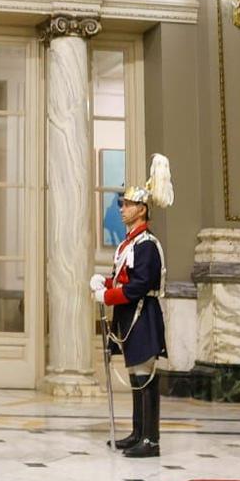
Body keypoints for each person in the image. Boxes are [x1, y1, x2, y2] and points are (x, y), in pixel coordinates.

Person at [94, 154, 172, 459]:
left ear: (141, 209)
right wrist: (104, 283)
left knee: (145, 377)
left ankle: (151, 440)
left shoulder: (147, 244)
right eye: (122, 204)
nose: (122, 209)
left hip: (143, 316)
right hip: (129, 318)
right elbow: (123, 278)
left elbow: (140, 284)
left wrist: (109, 296)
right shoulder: (129, 244)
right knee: (136, 377)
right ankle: (138, 432)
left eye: (126, 204)